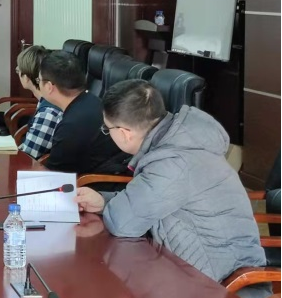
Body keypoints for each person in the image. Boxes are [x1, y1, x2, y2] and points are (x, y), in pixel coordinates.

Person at [75, 80, 269, 297]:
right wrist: (103, 201)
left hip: (223, 285)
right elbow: (147, 201)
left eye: (107, 129)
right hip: (195, 269)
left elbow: (123, 223)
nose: (108, 133)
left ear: (124, 133)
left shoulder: (173, 163)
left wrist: (110, 207)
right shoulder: (178, 143)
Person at [37, 51, 129, 174]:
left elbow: (54, 174)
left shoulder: (71, 125)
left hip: (92, 182)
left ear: (49, 86)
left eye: (39, 80)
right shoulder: (91, 100)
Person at [14, 45, 62, 159]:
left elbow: (27, 158)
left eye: (18, 70)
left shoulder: (49, 113)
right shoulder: (48, 101)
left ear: (26, 77)